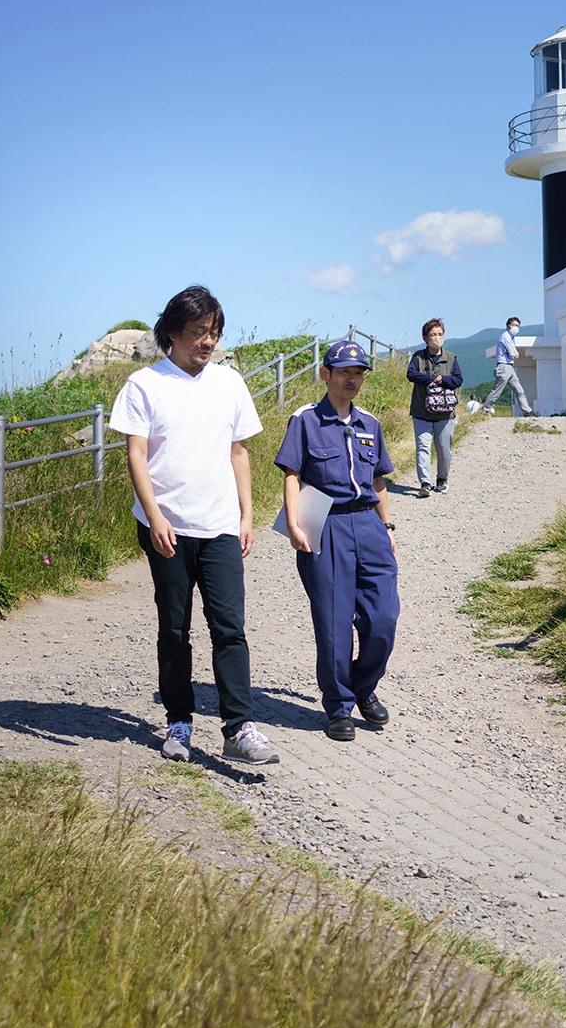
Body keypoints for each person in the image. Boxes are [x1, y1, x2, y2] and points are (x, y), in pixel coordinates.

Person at [109, 285, 279, 765]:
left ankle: (239, 727)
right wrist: (156, 515)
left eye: (214, 332)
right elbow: (136, 455)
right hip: (167, 527)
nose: (208, 341)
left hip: (221, 524)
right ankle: (178, 722)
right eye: (198, 332)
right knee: (175, 627)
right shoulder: (145, 384)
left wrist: (247, 515)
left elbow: (239, 451)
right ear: (171, 333)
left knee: (230, 628)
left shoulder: (229, 383)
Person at [275, 340, 399, 742]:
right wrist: (294, 524)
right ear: (325, 374)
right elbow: (292, 475)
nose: (352, 379)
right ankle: (339, 706)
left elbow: (379, 480)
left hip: (369, 526)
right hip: (325, 525)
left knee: (383, 618)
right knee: (333, 622)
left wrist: (388, 528)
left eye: (359, 372)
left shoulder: (370, 424)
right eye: (345, 372)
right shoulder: (306, 420)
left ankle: (363, 687)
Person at [406, 318, 463, 497]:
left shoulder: (451, 358)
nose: (436, 338)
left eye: (439, 334)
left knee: (443, 449)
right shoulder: (418, 357)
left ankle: (442, 479)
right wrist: (431, 380)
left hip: (445, 413)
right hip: (421, 411)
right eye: (432, 335)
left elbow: (458, 380)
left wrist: (444, 380)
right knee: (423, 447)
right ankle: (424, 482)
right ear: (425, 338)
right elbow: (411, 374)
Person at [482, 317, 539, 417]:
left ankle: (527, 411)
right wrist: (512, 354)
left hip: (509, 367)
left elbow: (514, 354)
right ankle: (484, 410)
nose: (517, 328)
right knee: (497, 391)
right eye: (515, 325)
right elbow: (514, 355)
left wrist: (512, 354)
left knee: (519, 390)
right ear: (509, 326)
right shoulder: (506, 337)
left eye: (518, 326)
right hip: (504, 367)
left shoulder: (511, 338)